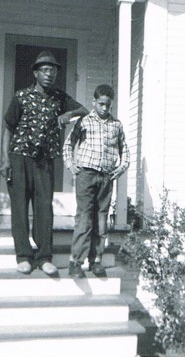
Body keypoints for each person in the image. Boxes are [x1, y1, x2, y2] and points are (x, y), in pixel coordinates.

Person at [0, 51, 88, 275]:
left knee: (44, 209)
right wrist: (5, 160)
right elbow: (8, 128)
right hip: (19, 158)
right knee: (20, 207)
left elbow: (83, 110)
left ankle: (44, 256)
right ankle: (23, 256)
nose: (50, 74)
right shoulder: (21, 97)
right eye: (45, 70)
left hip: (45, 160)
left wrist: (68, 116)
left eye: (54, 70)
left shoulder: (59, 98)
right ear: (36, 73)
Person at [63, 84, 129, 278]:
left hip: (106, 177)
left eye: (108, 105)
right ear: (94, 102)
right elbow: (69, 144)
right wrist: (70, 163)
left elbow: (124, 149)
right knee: (84, 218)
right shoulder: (84, 121)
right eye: (101, 104)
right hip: (86, 175)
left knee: (101, 219)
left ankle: (96, 260)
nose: (104, 109)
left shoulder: (116, 124)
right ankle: (75, 262)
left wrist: (121, 168)